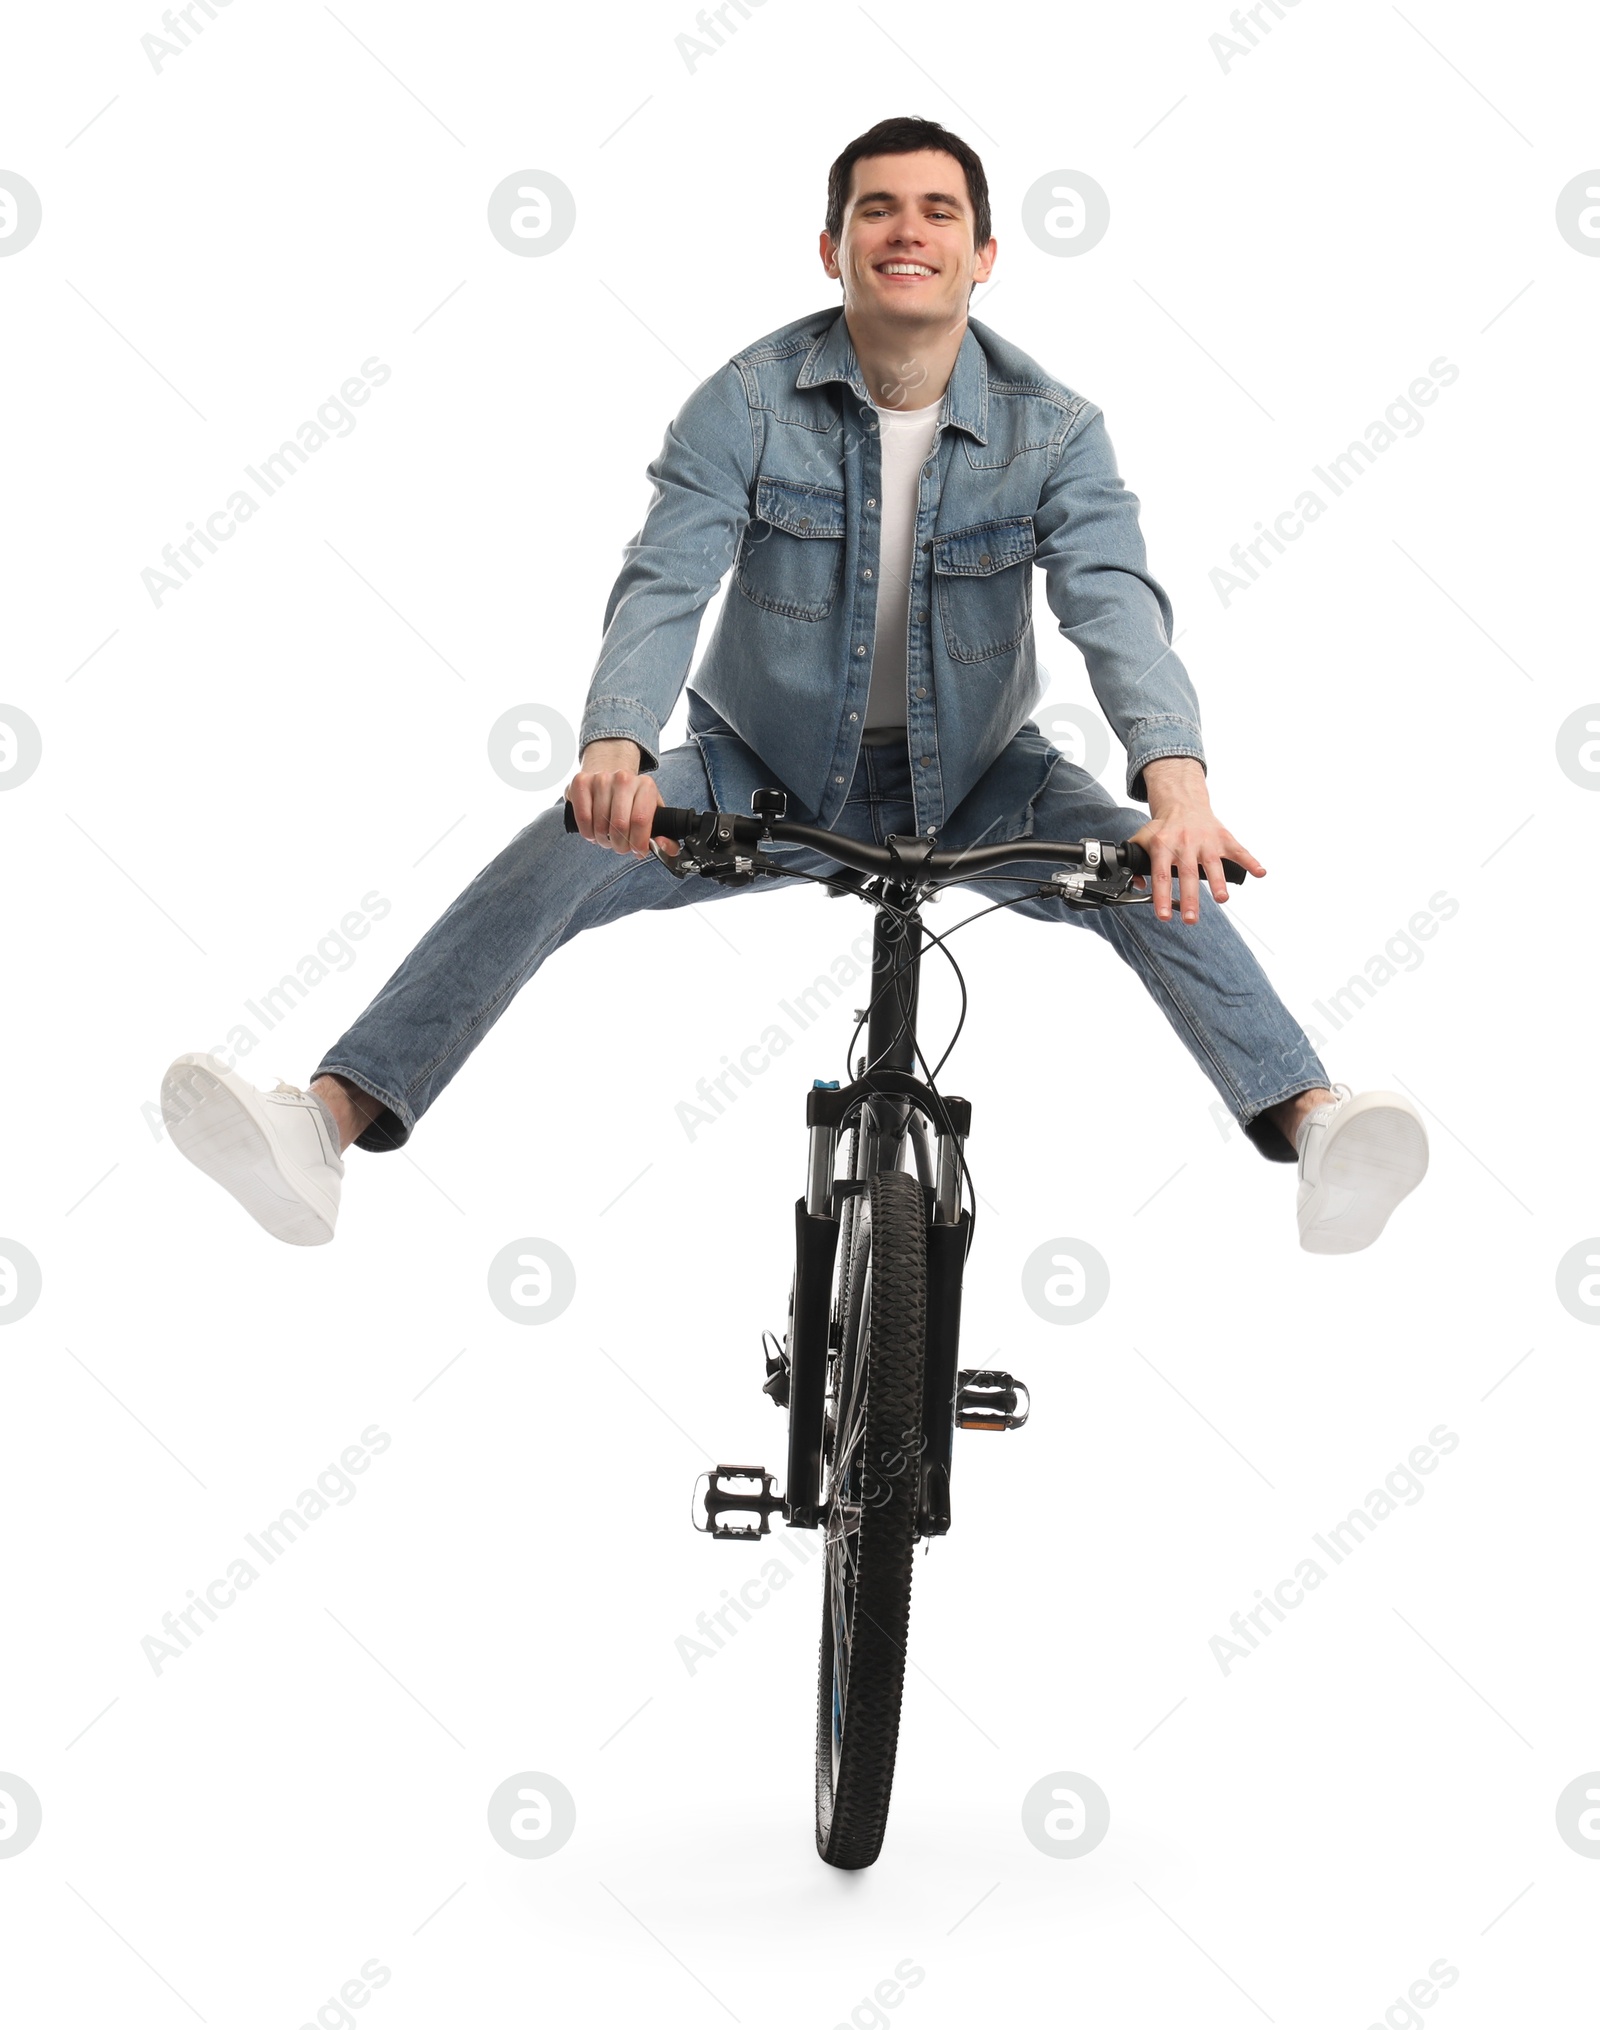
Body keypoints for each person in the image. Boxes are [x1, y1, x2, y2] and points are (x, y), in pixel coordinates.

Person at [162, 115, 1428, 1256]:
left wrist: (1179, 786)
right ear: (831, 247)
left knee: (1164, 876)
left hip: (983, 780)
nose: (907, 231)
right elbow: (665, 577)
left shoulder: (1054, 427)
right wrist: (616, 740)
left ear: (984, 256)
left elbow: (1114, 602)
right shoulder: (747, 401)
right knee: (557, 849)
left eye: (938, 212)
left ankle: (1314, 1126)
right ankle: (325, 1123)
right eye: (878, 208)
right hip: (757, 766)